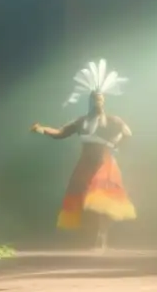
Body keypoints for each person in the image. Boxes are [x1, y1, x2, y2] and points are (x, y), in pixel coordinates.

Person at [31, 59, 136, 251]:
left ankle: (101, 235)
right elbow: (60, 133)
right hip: (85, 165)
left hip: (104, 165)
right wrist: (41, 129)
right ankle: (91, 235)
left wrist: (116, 142)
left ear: (104, 100)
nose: (97, 101)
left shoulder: (113, 120)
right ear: (89, 101)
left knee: (103, 201)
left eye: (100, 98)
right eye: (94, 99)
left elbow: (128, 133)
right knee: (84, 200)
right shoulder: (81, 122)